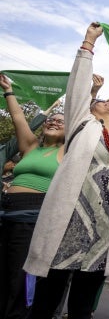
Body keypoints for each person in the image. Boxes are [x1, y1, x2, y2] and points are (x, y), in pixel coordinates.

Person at [23, 22, 109, 319]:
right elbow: (77, 88)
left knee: (82, 309)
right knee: (46, 305)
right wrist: (89, 43)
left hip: (106, 232)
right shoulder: (82, 126)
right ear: (91, 109)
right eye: (101, 100)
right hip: (68, 226)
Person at [0, 79, 65, 319]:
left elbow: (81, 121)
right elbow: (18, 118)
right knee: (3, 274)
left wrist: (92, 93)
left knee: (19, 277)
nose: (53, 122)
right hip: (7, 213)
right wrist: (9, 90)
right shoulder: (30, 146)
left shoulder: (66, 152)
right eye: (51, 119)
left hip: (32, 218)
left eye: (61, 121)